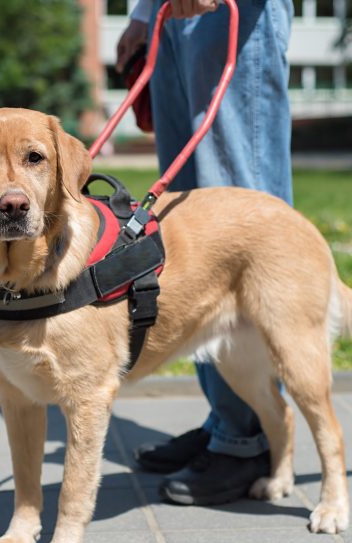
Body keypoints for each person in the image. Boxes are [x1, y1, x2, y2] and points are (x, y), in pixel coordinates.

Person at [116, 0, 294, 505]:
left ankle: (246, 441)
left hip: (235, 11)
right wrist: (147, 14)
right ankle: (228, 420)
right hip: (175, 17)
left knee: (236, 210)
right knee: (188, 223)